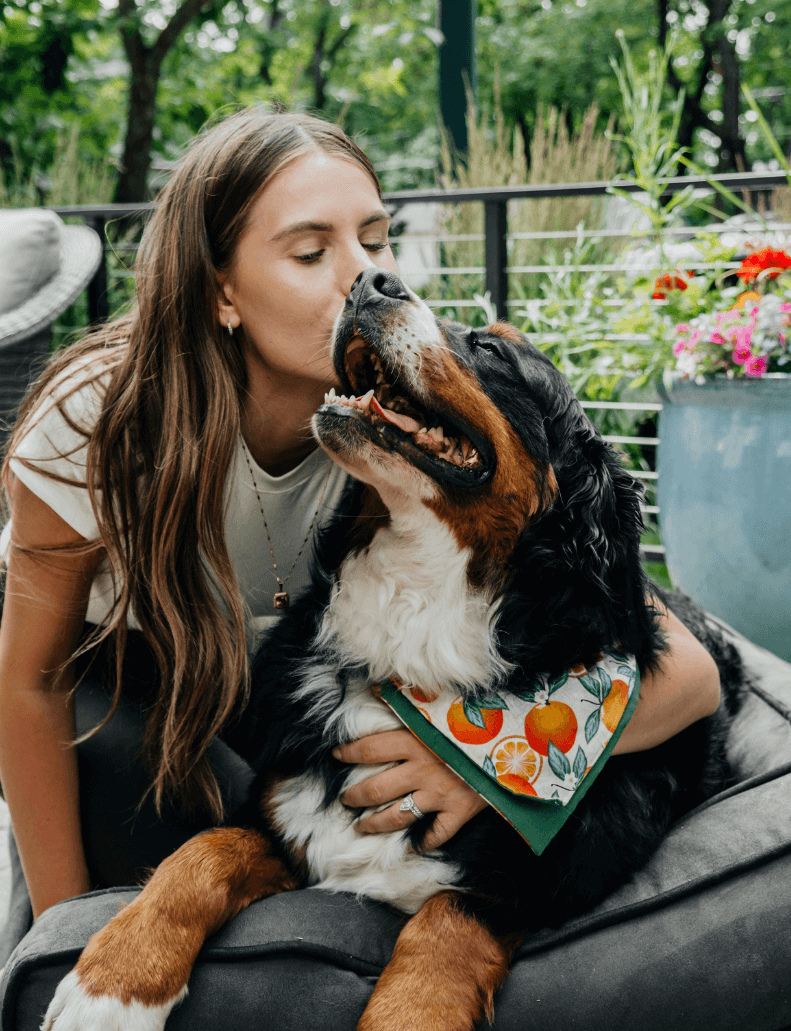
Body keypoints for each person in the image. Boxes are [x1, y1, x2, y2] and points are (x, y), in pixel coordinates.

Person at [0, 110, 720, 975]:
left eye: (375, 240)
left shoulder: (396, 424)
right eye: (310, 253)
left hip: (283, 703)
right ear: (219, 290)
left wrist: (484, 761)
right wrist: (55, 932)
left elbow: (689, 675)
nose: (365, 278)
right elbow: (26, 684)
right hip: (128, 702)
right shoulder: (99, 417)